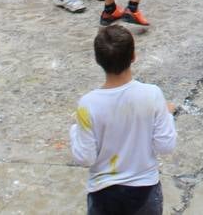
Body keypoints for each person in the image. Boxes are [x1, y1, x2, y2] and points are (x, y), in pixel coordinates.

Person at [70, 25, 176, 212]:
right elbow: (165, 146)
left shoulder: (88, 104)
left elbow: (85, 158)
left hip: (103, 194)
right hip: (145, 191)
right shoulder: (152, 95)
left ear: (97, 60)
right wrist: (166, 114)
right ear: (133, 56)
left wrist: (74, 132)